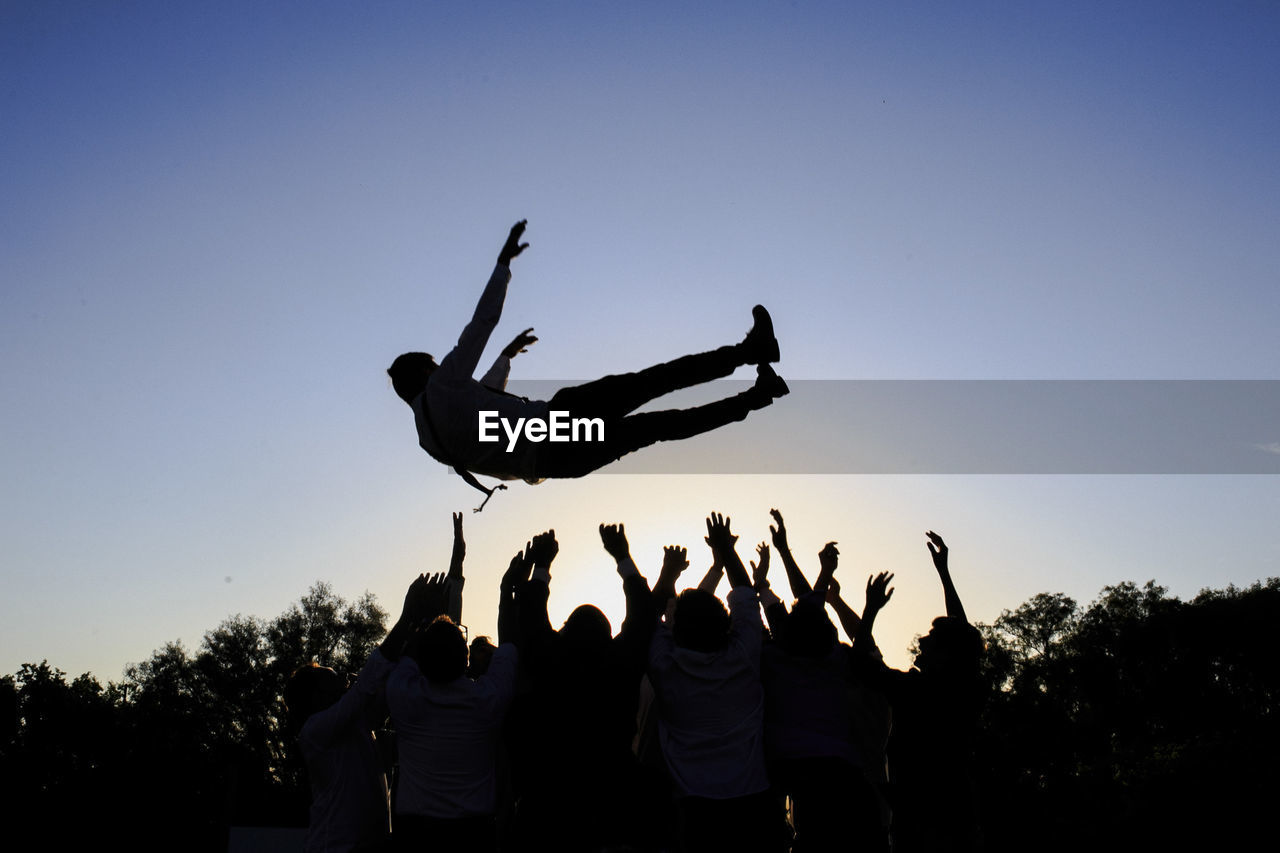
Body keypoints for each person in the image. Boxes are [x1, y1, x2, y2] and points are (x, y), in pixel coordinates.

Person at [387, 221, 789, 508]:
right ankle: (751, 351)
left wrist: (507, 358)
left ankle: (758, 395)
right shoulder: (442, 386)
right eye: (435, 363)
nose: (441, 366)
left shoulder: (430, 439)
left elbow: (484, 411)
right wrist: (503, 265)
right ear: (425, 371)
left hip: (557, 461)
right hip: (556, 424)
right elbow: (480, 325)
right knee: (655, 382)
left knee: (661, 426)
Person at [285, 573, 439, 853]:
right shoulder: (315, 731)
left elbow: (391, 680)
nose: (345, 680)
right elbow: (368, 685)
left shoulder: (353, 723)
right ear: (316, 695)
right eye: (334, 678)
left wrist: (424, 623)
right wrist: (407, 619)